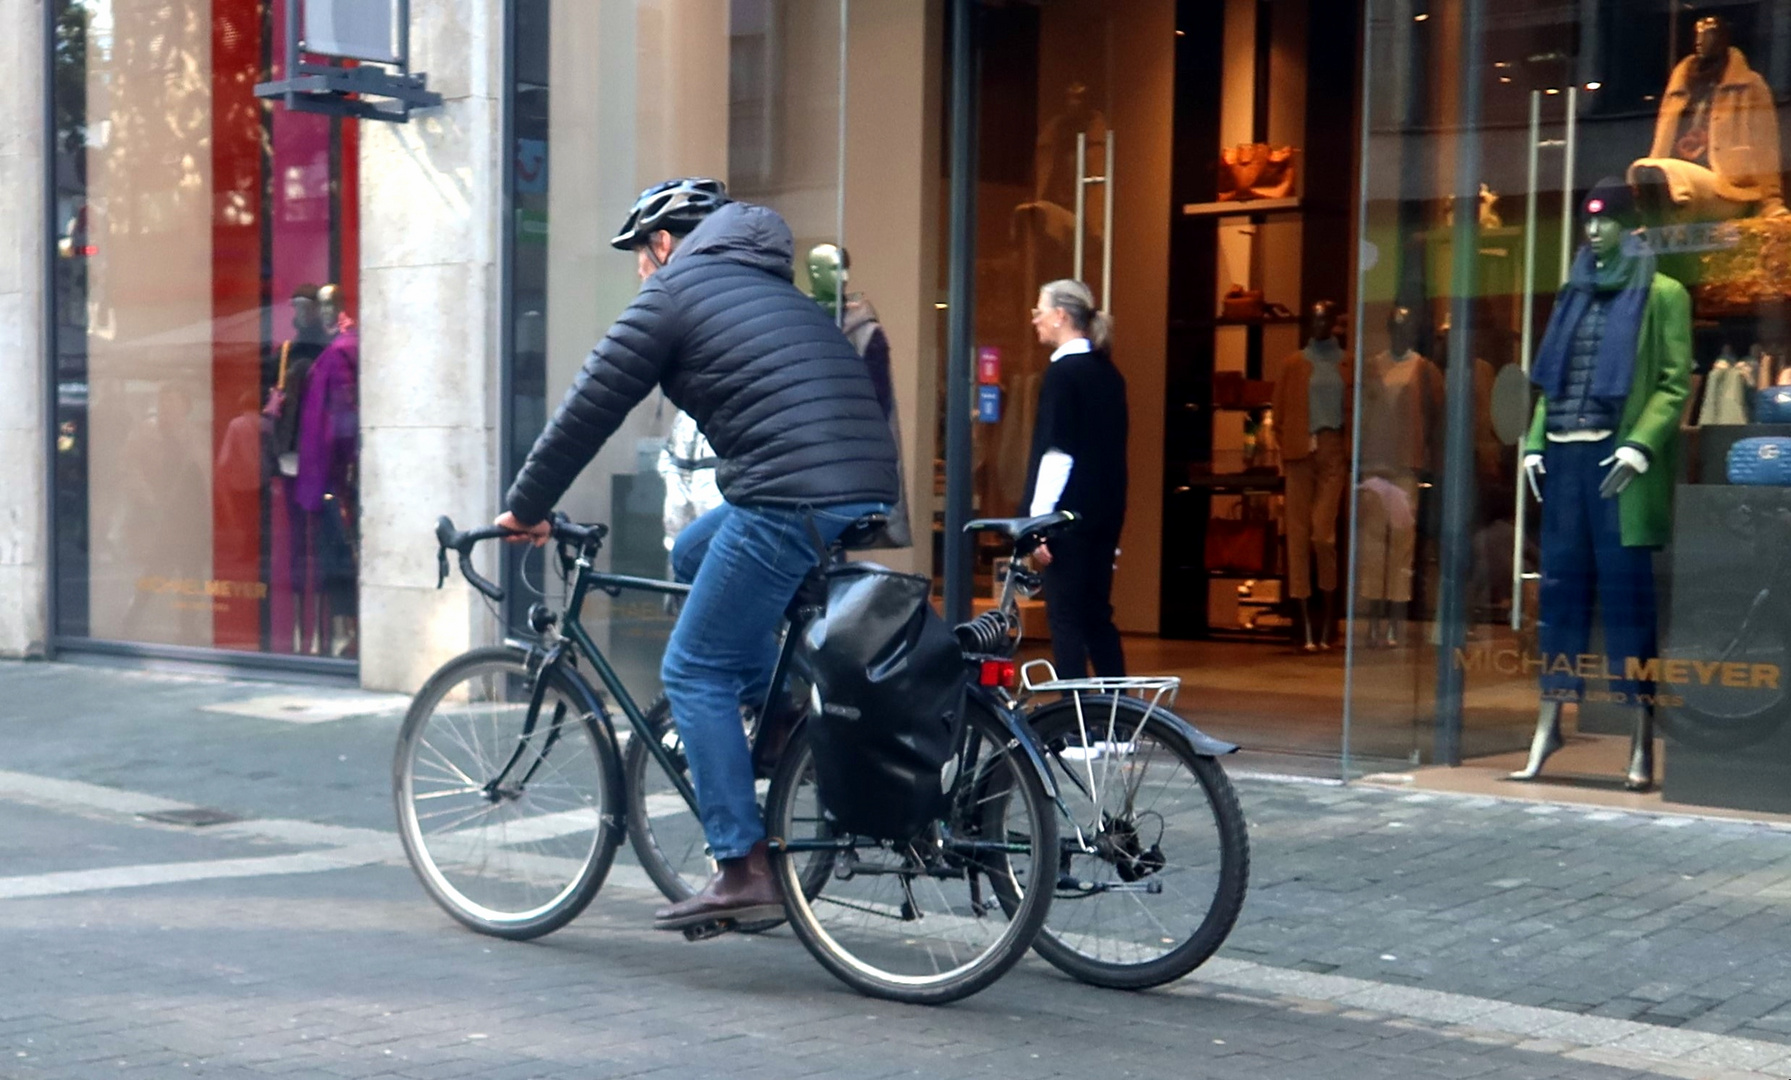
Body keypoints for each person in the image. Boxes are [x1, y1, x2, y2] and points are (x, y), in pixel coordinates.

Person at [496, 178, 899, 930]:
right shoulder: (778, 297)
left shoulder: (677, 293)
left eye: (640, 256)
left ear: (664, 243)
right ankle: (775, 715)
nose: (640, 274)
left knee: (692, 667)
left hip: (788, 496)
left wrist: (525, 507)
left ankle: (741, 867)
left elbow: (588, 406)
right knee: (691, 550)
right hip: (859, 485)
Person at [1021, 278, 1129, 678]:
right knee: (1098, 619)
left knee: (1065, 621)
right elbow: (1113, 456)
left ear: (1061, 316)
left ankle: (1077, 729)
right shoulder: (1109, 374)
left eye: (1040, 311)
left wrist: (1038, 520)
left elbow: (1058, 453)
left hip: (1067, 517)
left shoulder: (1064, 374)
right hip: (1104, 516)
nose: (1036, 320)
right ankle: (1115, 724)